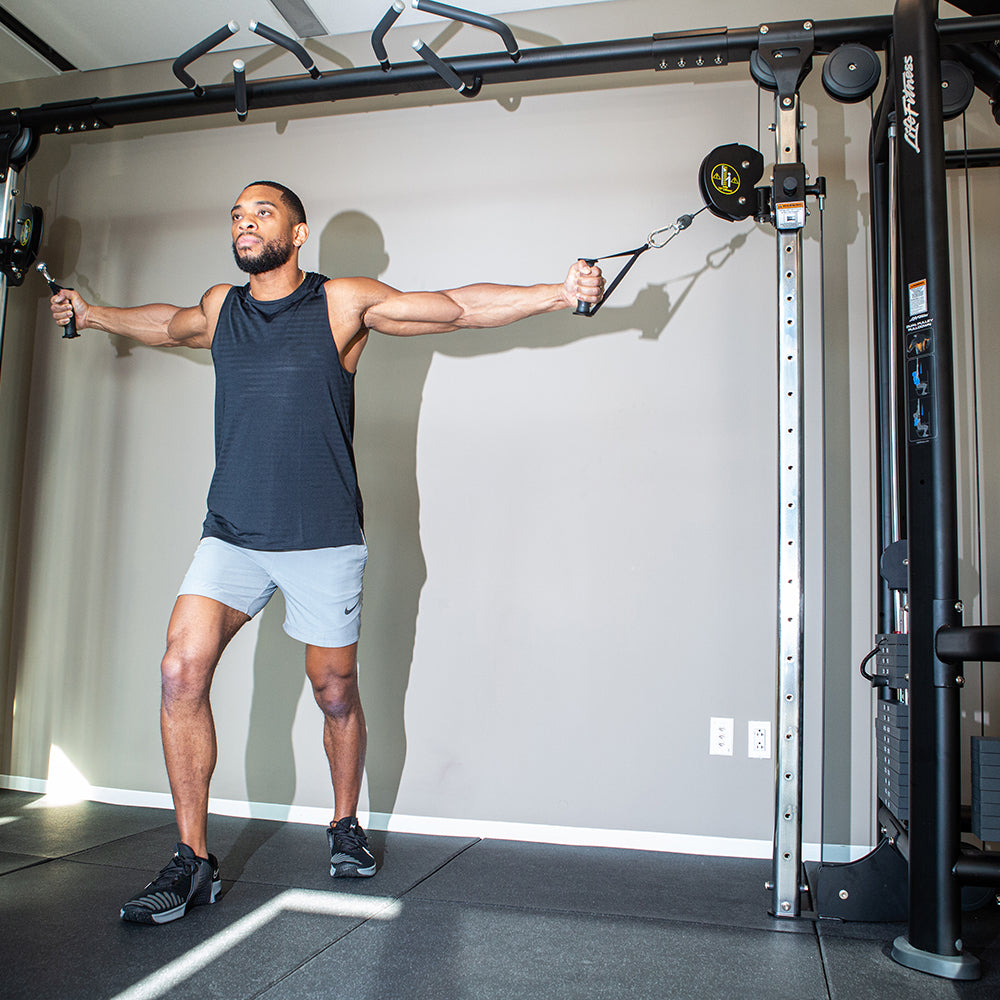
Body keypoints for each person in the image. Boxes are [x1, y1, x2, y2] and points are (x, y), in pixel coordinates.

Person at [49, 180, 604, 925]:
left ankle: (345, 824)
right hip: (233, 535)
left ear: (299, 232)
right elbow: (171, 326)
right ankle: (193, 860)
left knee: (334, 690)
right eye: (236, 214)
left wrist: (558, 293)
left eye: (262, 213)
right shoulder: (223, 306)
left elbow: (455, 307)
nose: (245, 223)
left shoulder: (340, 302)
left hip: (323, 539)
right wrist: (93, 313)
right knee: (180, 671)